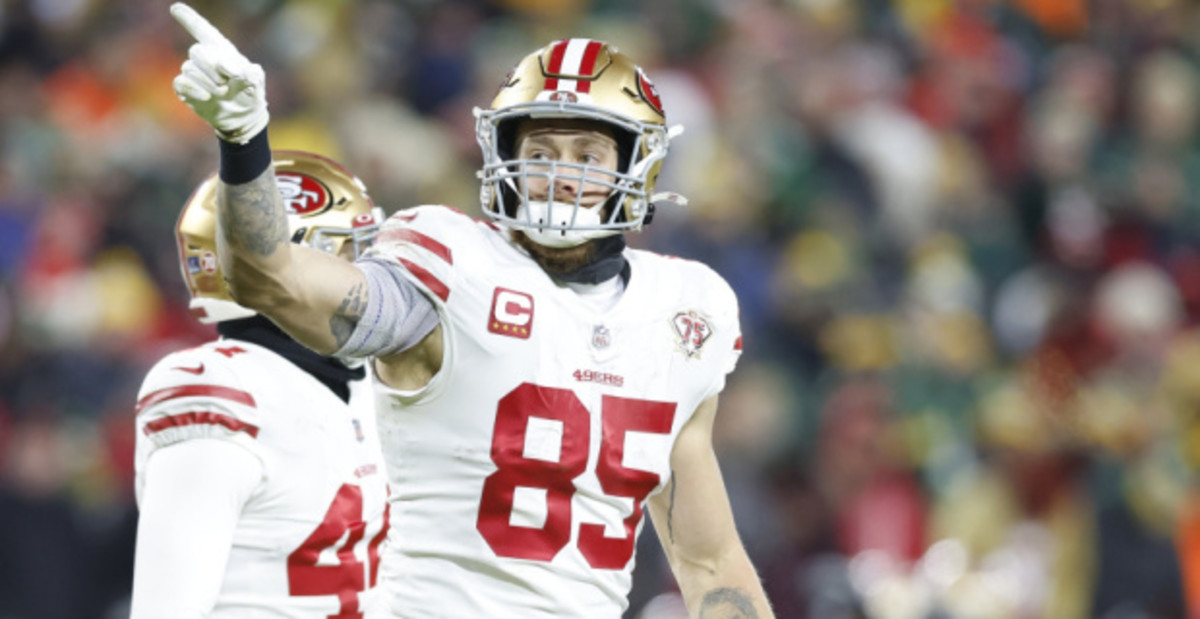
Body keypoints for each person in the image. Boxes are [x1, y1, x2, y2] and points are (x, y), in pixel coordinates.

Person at [169, 2, 775, 617]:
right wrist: (245, 141)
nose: (561, 175)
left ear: (636, 169)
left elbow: (709, 561)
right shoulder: (452, 270)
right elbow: (273, 279)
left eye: (588, 156)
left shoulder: (682, 314)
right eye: (541, 151)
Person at [130, 150, 391, 618]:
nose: (366, 279)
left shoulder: (364, 384)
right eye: (351, 254)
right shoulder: (222, 387)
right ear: (273, 265)